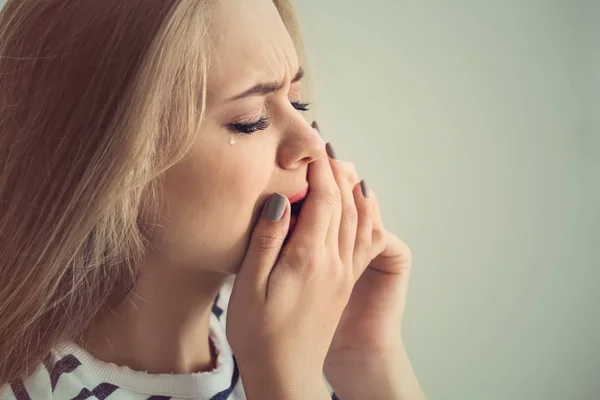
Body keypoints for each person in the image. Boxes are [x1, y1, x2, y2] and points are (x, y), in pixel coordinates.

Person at [0, 0, 426, 398]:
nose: (311, 142)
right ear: (104, 160)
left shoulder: (283, 336)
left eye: (298, 102)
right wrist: (285, 381)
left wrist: (364, 352)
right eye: (250, 121)